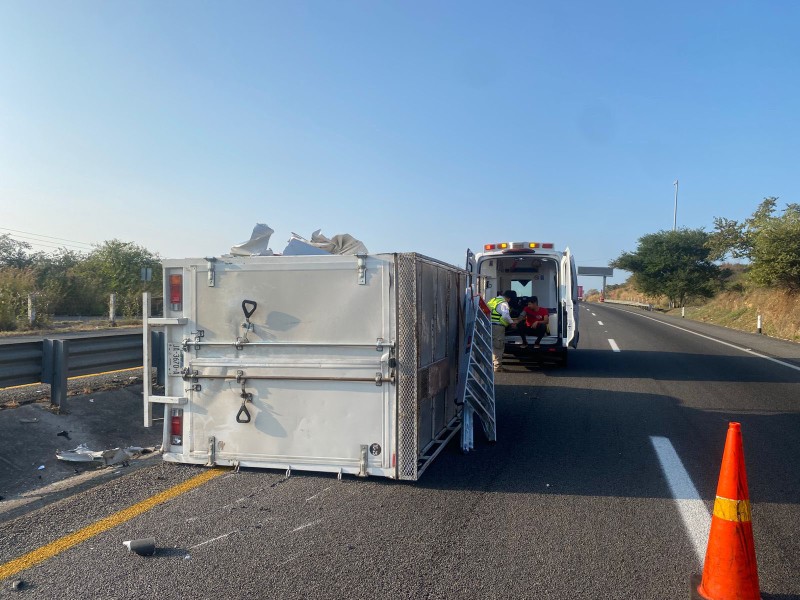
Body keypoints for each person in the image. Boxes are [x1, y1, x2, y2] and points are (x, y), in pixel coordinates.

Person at [487, 290, 517, 372]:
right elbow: (505, 316)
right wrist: (512, 323)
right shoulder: (504, 303)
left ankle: (491, 365)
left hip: (488, 325)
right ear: (509, 298)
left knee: (491, 345)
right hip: (498, 327)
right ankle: (498, 367)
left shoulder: (493, 300)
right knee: (498, 346)